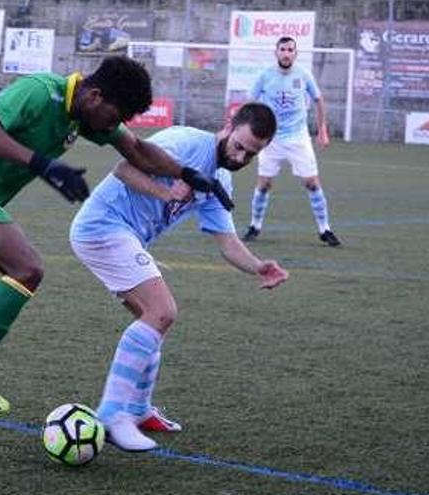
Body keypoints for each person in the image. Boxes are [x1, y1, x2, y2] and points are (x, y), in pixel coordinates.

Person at [0, 55, 231, 458]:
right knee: (27, 267)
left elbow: (137, 150)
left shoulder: (86, 117)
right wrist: (44, 164)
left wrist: (189, 174)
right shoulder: (40, 90)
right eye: (113, 115)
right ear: (95, 95)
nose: (112, 126)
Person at [69, 102, 289, 451]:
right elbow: (124, 168)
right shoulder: (186, 143)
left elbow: (228, 243)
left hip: (123, 235)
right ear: (229, 126)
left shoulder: (220, 181)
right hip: (102, 227)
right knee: (162, 311)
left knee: (153, 321)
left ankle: (139, 411)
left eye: (252, 154)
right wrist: (166, 191)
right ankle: (111, 415)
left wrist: (258, 266)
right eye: (239, 145)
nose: (242, 156)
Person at [243, 36, 341, 247]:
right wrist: (245, 127)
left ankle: (325, 229)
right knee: (264, 184)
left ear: (295, 54)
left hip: (298, 138)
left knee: (312, 183)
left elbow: (318, 100)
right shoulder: (265, 76)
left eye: (290, 50)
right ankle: (254, 225)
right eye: (283, 49)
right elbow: (249, 103)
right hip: (271, 138)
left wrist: (322, 129)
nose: (286, 53)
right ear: (276, 52)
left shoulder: (303, 75)